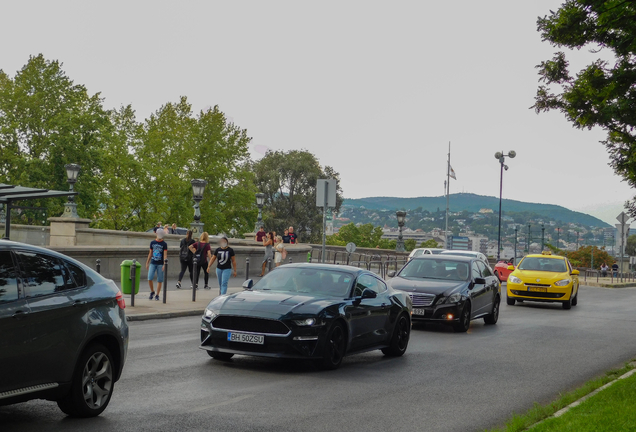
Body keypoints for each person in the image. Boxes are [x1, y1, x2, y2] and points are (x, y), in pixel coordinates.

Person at [146, 228, 168, 300]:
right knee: (150, 277)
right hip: (153, 262)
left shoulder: (164, 244)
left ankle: (157, 295)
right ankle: (152, 291)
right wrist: (147, 262)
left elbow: (165, 255)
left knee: (160, 279)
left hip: (160, 263)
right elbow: (150, 253)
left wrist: (164, 264)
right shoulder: (152, 243)